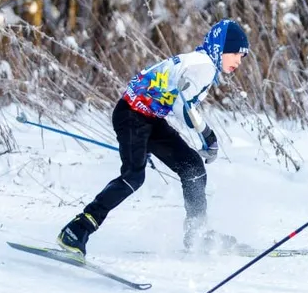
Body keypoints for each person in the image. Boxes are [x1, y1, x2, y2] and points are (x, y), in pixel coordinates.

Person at [57, 19, 249, 257]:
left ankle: (197, 234)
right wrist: (208, 137)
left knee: (192, 167)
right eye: (235, 54)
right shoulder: (204, 66)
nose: (239, 61)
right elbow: (183, 105)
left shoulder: (200, 62)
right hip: (132, 115)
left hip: (147, 118)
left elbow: (173, 96)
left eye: (243, 56)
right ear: (220, 49)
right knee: (133, 177)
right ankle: (77, 229)